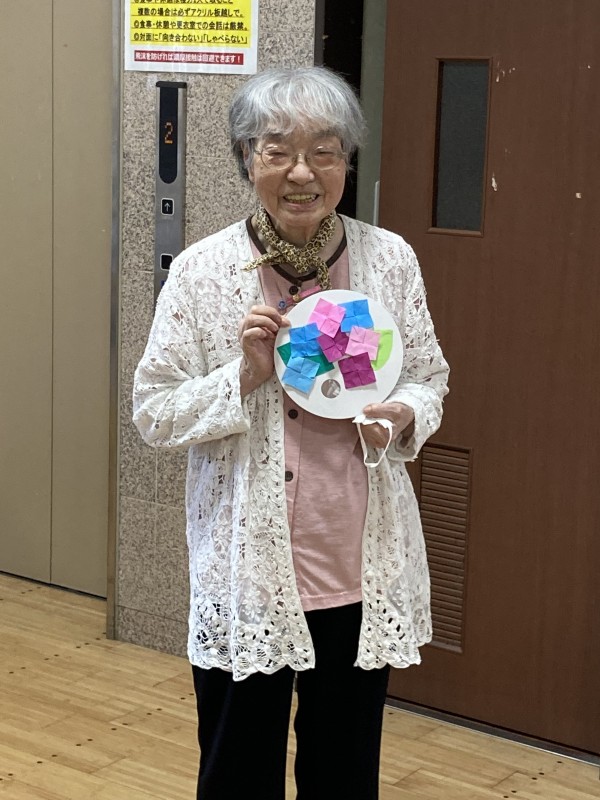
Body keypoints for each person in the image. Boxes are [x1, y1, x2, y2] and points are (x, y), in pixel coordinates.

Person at [133, 66, 449, 800]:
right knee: (236, 772)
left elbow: (428, 376)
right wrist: (242, 376)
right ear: (247, 159)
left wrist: (403, 413)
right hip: (248, 568)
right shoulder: (203, 272)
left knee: (343, 773)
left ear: (347, 161)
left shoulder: (389, 259)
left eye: (324, 151)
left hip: (358, 566)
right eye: (277, 150)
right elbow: (154, 410)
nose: (302, 172)